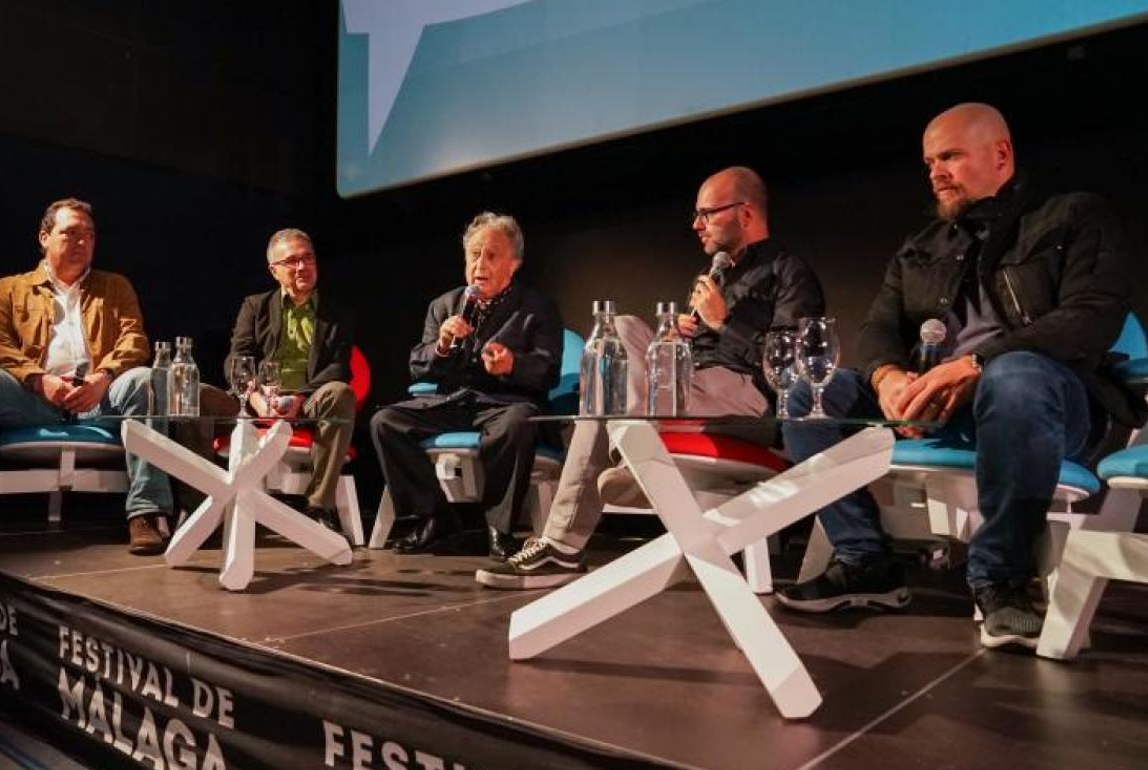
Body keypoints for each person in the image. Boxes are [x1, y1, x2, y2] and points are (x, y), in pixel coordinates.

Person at [775, 103, 1142, 650]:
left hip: (1048, 402)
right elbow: (878, 326)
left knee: (1013, 375)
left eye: (950, 156)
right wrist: (887, 377)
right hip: (936, 406)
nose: (935, 172)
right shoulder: (922, 246)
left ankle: (1003, 579)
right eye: (929, 162)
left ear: (1001, 154)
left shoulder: (1072, 216)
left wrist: (976, 363)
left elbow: (1094, 315)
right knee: (809, 392)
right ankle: (865, 560)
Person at [477, 167, 825, 589]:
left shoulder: (790, 272)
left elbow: (791, 369)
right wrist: (677, 338)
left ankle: (567, 539)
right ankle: (631, 455)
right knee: (619, 329)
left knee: (613, 396)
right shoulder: (714, 275)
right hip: (688, 386)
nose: (696, 224)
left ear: (745, 212)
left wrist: (725, 322)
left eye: (707, 214)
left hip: (744, 397)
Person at [0, 198, 171, 557]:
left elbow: (134, 341)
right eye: (70, 233)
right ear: (44, 237)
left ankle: (145, 514)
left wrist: (102, 377)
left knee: (145, 379)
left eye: (89, 234)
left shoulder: (115, 287)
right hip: (33, 399)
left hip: (96, 399)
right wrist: (41, 381)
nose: (82, 241)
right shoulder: (9, 288)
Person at [370, 212, 563, 560]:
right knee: (385, 422)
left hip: (506, 402)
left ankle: (499, 529)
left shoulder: (538, 308)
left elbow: (547, 371)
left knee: (517, 424)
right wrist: (441, 346)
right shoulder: (444, 305)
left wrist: (512, 364)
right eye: (474, 254)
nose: (480, 264)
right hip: (452, 401)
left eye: (492, 255)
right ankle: (438, 517)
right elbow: (417, 365)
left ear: (514, 264)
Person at [223, 228, 356, 530]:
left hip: (308, 402)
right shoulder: (255, 306)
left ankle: (319, 506)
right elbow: (236, 360)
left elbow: (338, 367)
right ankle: (201, 507)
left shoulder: (337, 311)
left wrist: (299, 399)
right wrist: (256, 399)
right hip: (257, 401)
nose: (302, 267)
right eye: (292, 261)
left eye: (308, 258)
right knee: (200, 396)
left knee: (340, 392)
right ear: (274, 270)